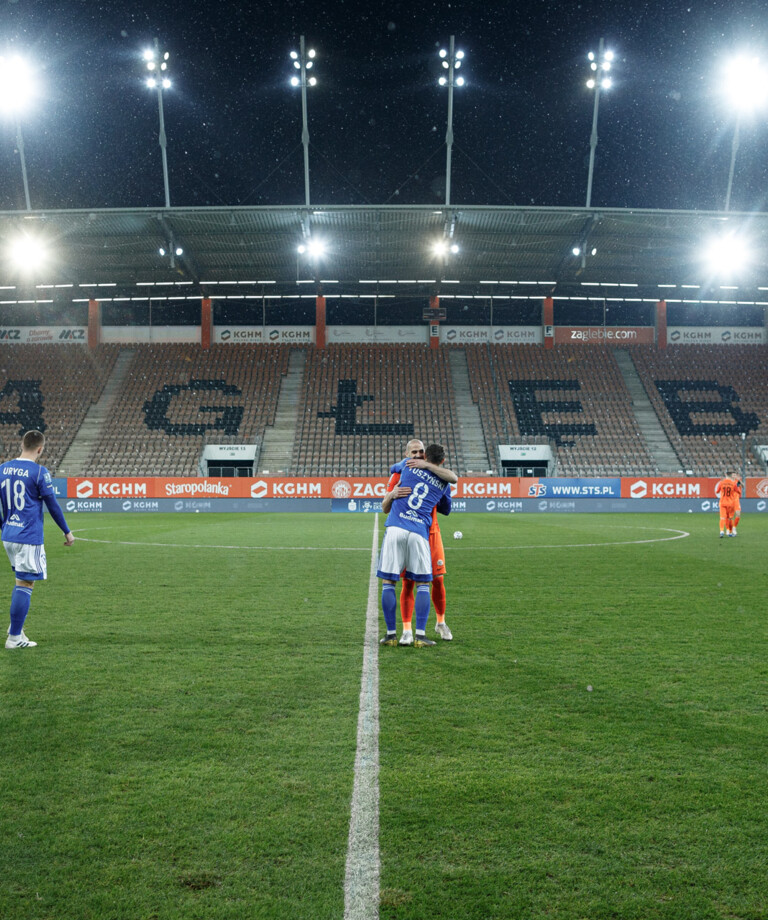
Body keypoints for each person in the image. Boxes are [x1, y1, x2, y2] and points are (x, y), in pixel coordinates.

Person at [1, 430, 75, 649]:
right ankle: (14, 638)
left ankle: (17, 629)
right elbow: (52, 504)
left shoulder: (2, 469)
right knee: (26, 583)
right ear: (40, 449)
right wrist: (67, 531)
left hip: (9, 535)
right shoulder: (39, 472)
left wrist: (3, 525)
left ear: (22, 444)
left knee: (20, 581)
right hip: (28, 537)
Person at [377, 443, 453, 648]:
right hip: (420, 531)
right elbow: (452, 483)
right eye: (414, 453)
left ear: (426, 456)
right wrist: (392, 494)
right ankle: (410, 632)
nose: (418, 456)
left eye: (421, 453)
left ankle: (438, 623)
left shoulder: (406, 468)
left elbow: (395, 467)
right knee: (418, 584)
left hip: (411, 530)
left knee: (427, 581)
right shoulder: (443, 481)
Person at [714, 470, 739, 538]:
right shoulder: (733, 483)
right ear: (731, 476)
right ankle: (730, 532)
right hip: (731, 503)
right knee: (730, 518)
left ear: (726, 475)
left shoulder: (721, 483)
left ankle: (721, 531)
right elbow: (738, 491)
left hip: (722, 503)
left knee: (722, 518)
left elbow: (717, 491)